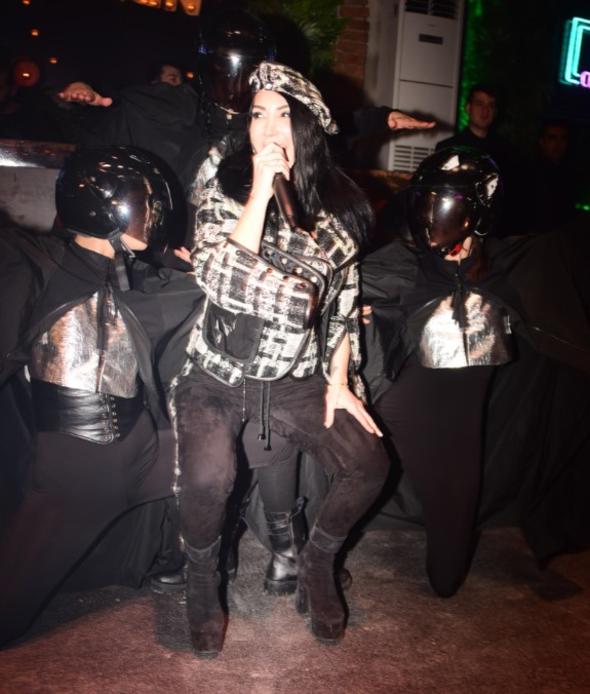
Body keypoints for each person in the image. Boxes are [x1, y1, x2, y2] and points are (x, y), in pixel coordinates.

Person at [172, 61, 389, 657]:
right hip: (217, 373)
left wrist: (340, 381)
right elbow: (220, 275)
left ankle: (317, 565)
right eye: (257, 115)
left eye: (283, 116)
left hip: (295, 377)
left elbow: (343, 303)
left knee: (368, 463)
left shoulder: (341, 213)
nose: (267, 129)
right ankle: (200, 584)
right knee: (208, 479)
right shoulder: (222, 182)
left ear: (309, 128)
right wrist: (261, 193)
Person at [0, 146, 190, 647]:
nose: (155, 216)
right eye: (146, 204)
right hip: (75, 470)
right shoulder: (37, 264)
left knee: (225, 451)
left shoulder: (138, 274)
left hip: (144, 448)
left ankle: (173, 559)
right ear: (112, 208)